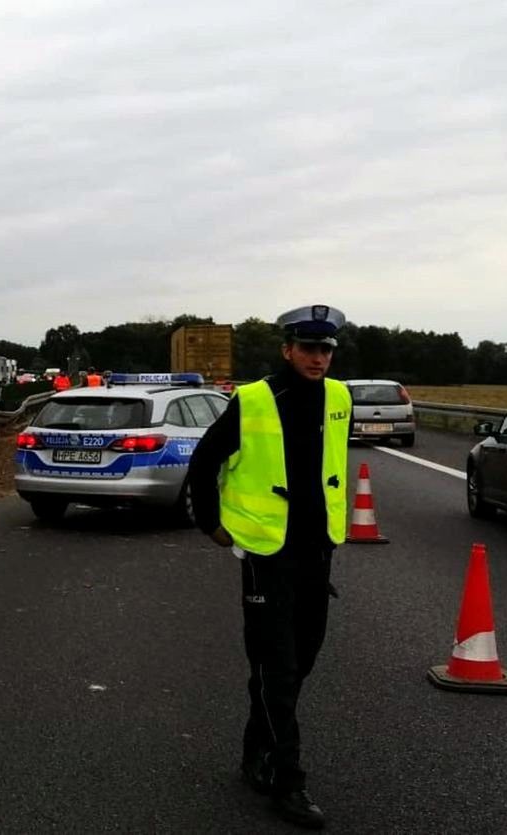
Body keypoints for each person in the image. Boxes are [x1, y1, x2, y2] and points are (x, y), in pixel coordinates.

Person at [188, 304, 351, 830]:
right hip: (266, 555)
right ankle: (289, 780)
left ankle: (254, 747)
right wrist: (210, 523)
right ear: (288, 350)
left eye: (325, 350)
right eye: (308, 348)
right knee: (276, 669)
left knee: (299, 664)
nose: (318, 358)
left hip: (316, 553)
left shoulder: (340, 397)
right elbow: (205, 460)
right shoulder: (256, 398)